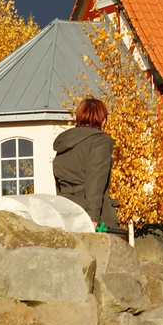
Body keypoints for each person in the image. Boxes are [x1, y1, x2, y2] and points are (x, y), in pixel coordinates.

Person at [53, 97, 119, 229]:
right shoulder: (99, 142)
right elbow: (95, 181)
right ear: (103, 120)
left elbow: (59, 185)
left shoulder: (64, 145)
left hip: (65, 214)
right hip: (92, 218)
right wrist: (92, 218)